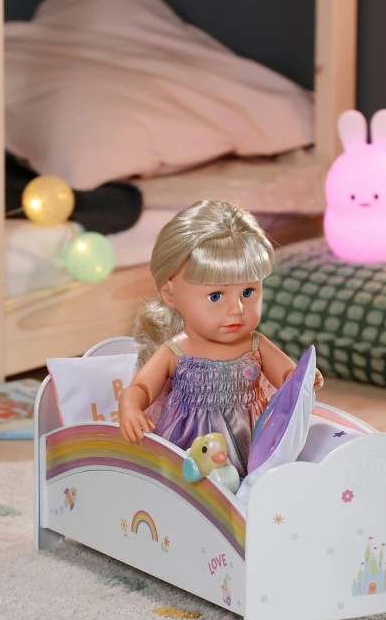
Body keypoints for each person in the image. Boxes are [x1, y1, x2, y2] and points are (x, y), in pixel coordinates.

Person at [118, 199, 323, 478]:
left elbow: (287, 375)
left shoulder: (255, 345)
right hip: (189, 443)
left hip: (251, 439)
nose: (237, 309)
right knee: (186, 482)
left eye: (248, 292)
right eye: (215, 296)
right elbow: (142, 386)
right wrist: (131, 407)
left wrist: (302, 380)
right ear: (170, 295)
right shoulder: (176, 351)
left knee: (254, 481)